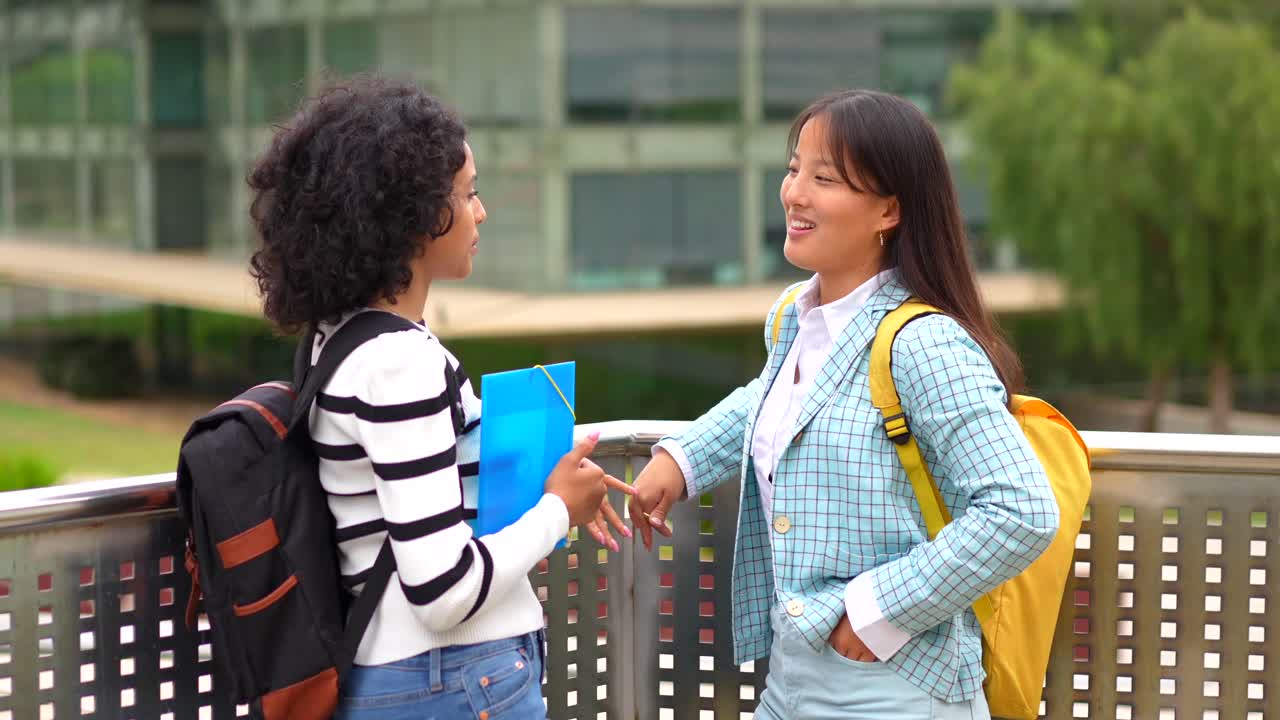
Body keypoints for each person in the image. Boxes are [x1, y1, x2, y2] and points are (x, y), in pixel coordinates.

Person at [628, 89, 1059, 719]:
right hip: (791, 675)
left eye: (823, 178)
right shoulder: (794, 320)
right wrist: (683, 459)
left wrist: (879, 611)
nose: (794, 192)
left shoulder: (925, 342)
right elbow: (776, 402)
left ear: (889, 210)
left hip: (897, 687)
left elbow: (1021, 511)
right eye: (794, 167)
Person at [247, 76, 633, 719]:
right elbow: (442, 587)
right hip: (451, 678)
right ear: (413, 216)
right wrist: (558, 511)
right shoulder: (401, 363)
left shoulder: (339, 339)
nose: (481, 212)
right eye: (469, 194)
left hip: (415, 676)